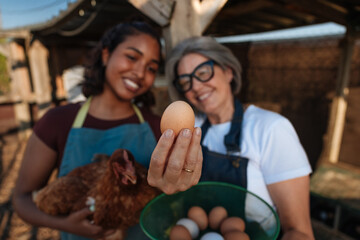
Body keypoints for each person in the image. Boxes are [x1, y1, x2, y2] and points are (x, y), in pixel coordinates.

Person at [12, 22, 202, 240]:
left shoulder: (158, 126)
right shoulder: (57, 121)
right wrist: (64, 224)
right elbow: (22, 198)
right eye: (132, 57)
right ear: (105, 55)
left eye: (151, 67)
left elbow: (172, 199)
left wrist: (178, 186)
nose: (140, 72)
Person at [165, 36, 315, 240]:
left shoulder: (271, 129)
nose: (196, 87)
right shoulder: (190, 130)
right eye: (185, 81)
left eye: (203, 72)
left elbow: (299, 232)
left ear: (228, 72)